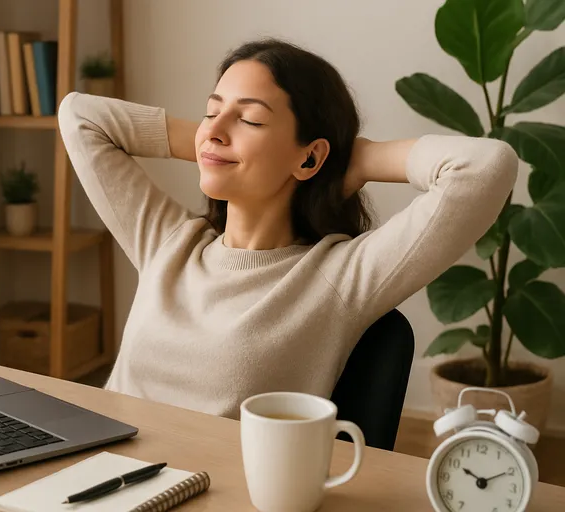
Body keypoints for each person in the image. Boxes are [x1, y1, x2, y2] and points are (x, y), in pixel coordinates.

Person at [58, 38, 517, 420]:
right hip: (100, 475)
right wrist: (208, 142)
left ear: (310, 156)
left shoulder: (339, 276)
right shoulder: (168, 242)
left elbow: (486, 166)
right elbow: (80, 116)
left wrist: (354, 159)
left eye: (251, 118)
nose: (216, 127)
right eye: (210, 110)